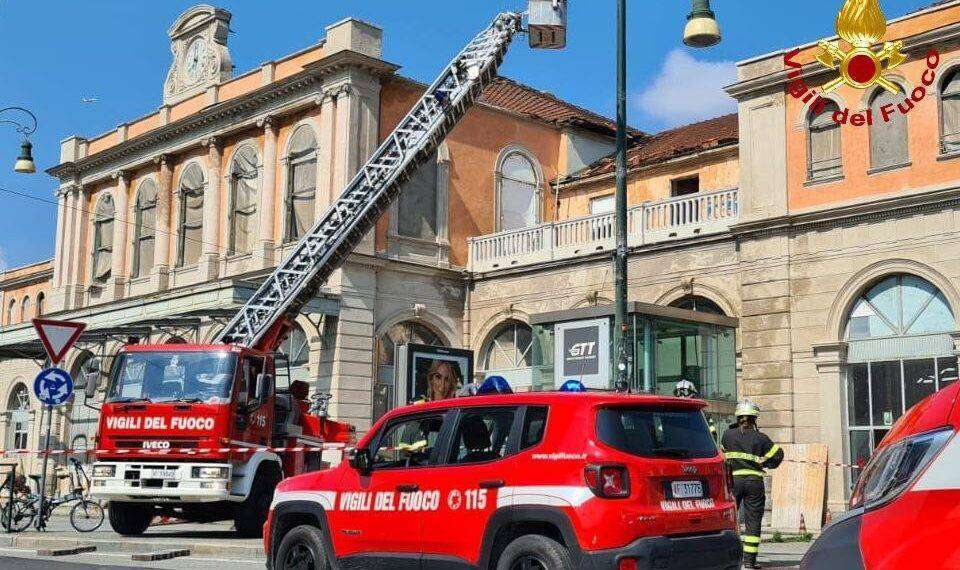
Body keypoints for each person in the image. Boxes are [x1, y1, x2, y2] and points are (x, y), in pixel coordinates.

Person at [721, 399, 784, 569]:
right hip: (754, 482)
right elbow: (778, 455)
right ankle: (749, 562)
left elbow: (722, 455)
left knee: (730, 521)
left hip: (733, 482)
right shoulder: (761, 438)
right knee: (753, 522)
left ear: (738, 417)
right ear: (754, 418)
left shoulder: (727, 435)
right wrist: (765, 464)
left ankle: (731, 559)